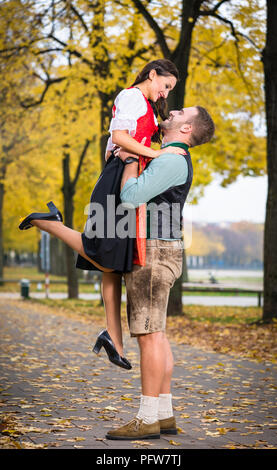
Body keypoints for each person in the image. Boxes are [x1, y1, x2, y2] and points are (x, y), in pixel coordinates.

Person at [18, 59, 183, 371]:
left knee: (114, 265)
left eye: (170, 90)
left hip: (124, 176)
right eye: (166, 85)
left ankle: (114, 339)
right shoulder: (131, 96)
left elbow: (116, 146)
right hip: (116, 183)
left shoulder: (146, 105)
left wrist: (137, 151)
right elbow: (119, 137)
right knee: (104, 255)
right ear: (152, 75)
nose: (165, 93)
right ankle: (48, 223)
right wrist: (154, 153)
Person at [105, 105, 215, 440]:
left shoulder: (170, 159)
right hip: (162, 247)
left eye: (182, 112)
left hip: (153, 250)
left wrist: (127, 162)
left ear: (186, 129)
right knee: (158, 334)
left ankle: (146, 418)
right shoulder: (170, 157)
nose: (173, 110)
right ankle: (164, 414)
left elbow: (130, 196)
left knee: (149, 336)